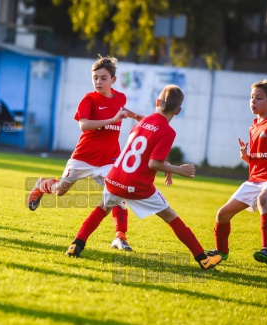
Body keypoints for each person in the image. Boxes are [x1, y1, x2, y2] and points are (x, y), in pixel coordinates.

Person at [66, 84, 223, 270]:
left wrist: (168, 168)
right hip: (136, 184)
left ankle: (76, 245)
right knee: (171, 217)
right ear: (178, 111)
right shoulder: (168, 131)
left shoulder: (143, 121)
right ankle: (204, 260)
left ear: (157, 102)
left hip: (115, 177)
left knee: (102, 208)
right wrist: (179, 169)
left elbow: (146, 150)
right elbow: (153, 163)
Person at [27, 55, 144, 252]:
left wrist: (135, 116)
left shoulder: (120, 98)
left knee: (117, 192)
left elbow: (120, 108)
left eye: (103, 78)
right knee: (60, 191)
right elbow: (84, 125)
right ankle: (42, 185)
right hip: (83, 157)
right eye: (95, 77)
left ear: (113, 80)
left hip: (109, 159)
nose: (98, 82)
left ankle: (120, 236)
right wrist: (112, 119)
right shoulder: (88, 99)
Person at [208, 79, 267, 268]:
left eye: (259, 98)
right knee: (222, 214)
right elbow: (261, 160)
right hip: (256, 180)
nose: (253, 101)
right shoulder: (253, 126)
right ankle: (221, 252)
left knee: (263, 200)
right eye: (251, 97)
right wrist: (246, 157)